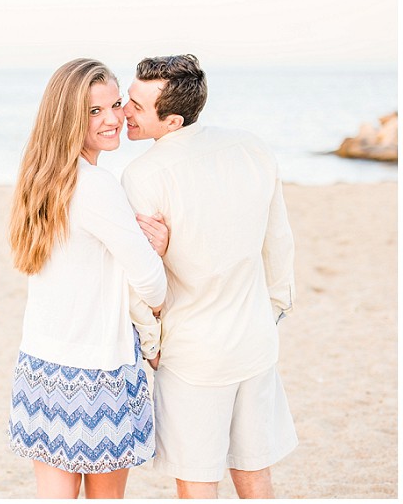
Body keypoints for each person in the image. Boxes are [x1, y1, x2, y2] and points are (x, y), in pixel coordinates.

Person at [120, 54, 298, 499]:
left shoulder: (143, 174)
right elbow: (278, 244)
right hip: (255, 340)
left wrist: (152, 346)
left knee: (198, 483)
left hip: (193, 355)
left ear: (174, 120)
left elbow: (142, 276)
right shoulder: (251, 147)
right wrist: (272, 312)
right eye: (128, 98)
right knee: (255, 473)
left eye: (136, 106)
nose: (124, 111)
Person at [6, 58, 168, 499]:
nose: (114, 118)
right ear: (68, 118)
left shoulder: (40, 178)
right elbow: (152, 284)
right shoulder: (96, 185)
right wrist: (158, 247)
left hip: (41, 366)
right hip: (97, 372)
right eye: (94, 111)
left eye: (116, 105)